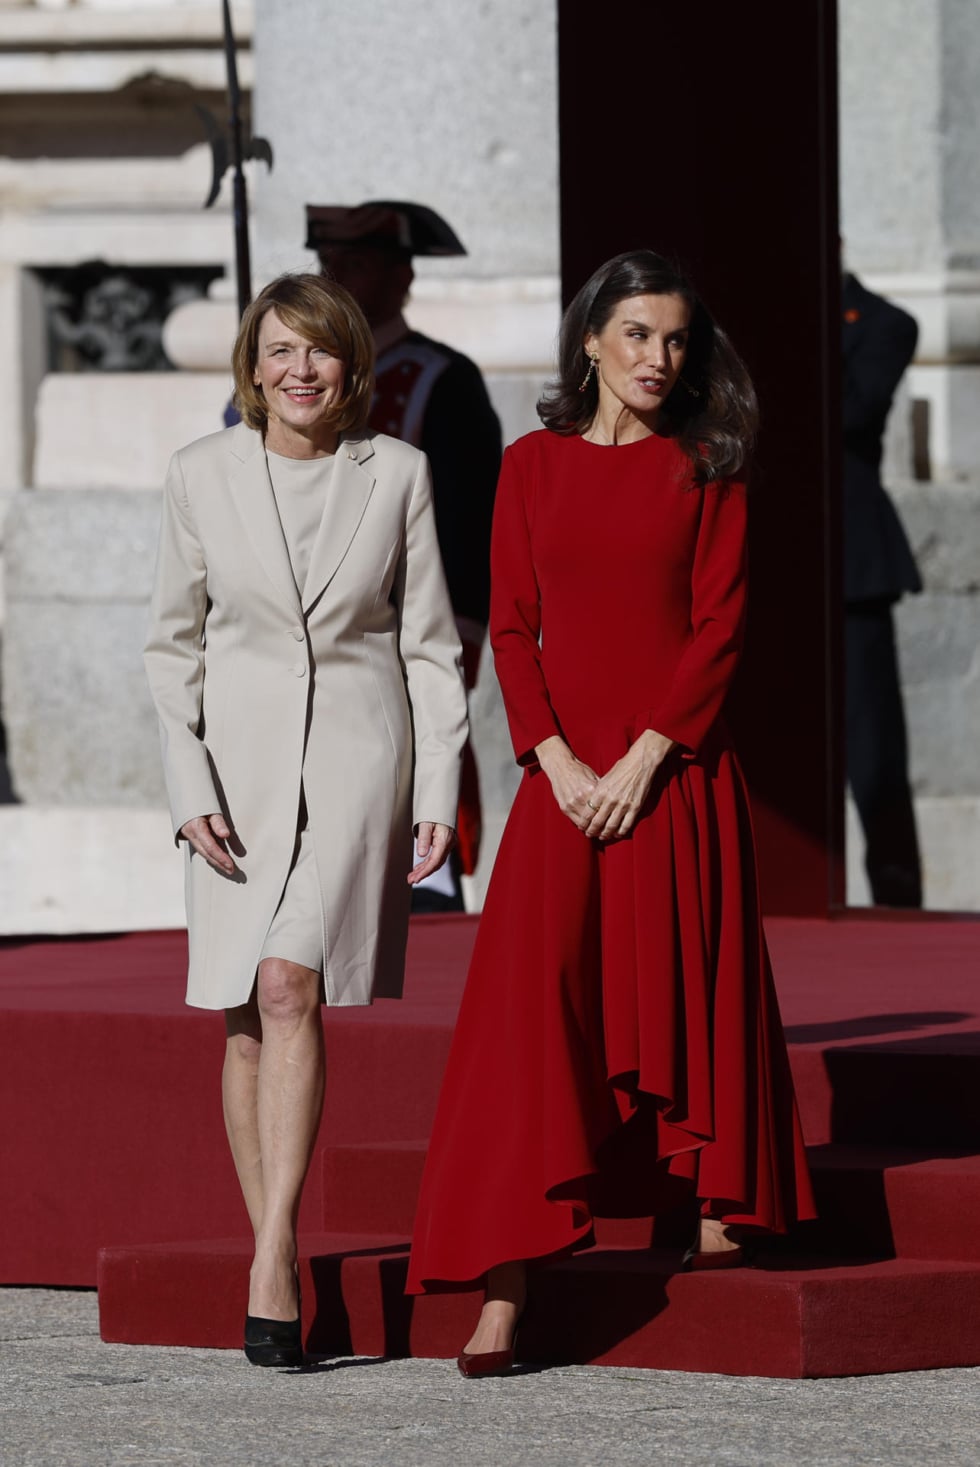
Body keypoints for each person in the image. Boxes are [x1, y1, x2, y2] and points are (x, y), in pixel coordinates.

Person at [406, 250, 816, 1375]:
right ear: (589, 340)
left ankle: (718, 1206)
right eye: (635, 334)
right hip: (559, 785)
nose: (656, 358)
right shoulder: (530, 464)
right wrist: (550, 755)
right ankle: (502, 1290)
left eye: (675, 339)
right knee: (527, 1023)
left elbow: (716, 629)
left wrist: (644, 755)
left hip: (672, 778)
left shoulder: (706, 464)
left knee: (687, 989)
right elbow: (509, 626)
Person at [144, 272, 467, 1368]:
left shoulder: (398, 477)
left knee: (289, 986)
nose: (298, 370)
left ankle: (272, 1258)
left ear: (350, 367)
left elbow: (429, 648)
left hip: (351, 770)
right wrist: (187, 790)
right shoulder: (198, 475)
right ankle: (270, 1238)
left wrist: (438, 795)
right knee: (241, 1012)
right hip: (230, 782)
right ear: (250, 367)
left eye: (318, 351)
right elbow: (170, 647)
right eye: (278, 350)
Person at [305, 200, 502, 903]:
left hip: (398, 629)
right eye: (328, 265)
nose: (337, 280)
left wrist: (463, 634)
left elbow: (471, 521)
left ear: (401, 277)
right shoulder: (288, 379)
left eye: (354, 264)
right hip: (302, 630)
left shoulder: (441, 379)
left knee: (409, 790)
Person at [842, 271, 923, 907]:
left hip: (854, 572)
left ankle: (898, 903)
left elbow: (855, 409)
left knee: (875, 761)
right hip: (766, 567)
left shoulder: (883, 323)